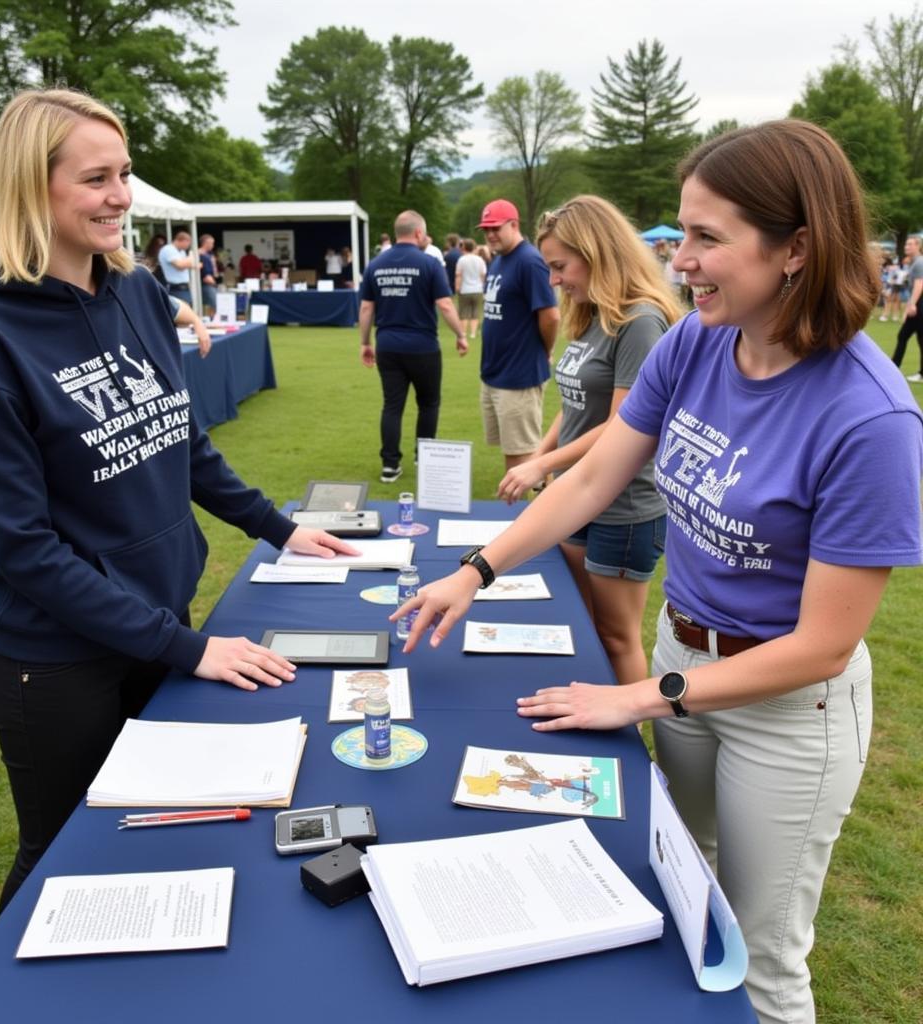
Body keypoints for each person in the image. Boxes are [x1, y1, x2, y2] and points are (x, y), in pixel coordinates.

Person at [394, 120, 922, 1024]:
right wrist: (475, 570)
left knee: (758, 964)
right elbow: (594, 477)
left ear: (797, 247)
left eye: (710, 240)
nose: (683, 264)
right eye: (682, 237)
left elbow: (825, 647)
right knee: (685, 902)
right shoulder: (696, 343)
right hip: (685, 659)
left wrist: (636, 698)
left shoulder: (872, 418)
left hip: (785, 712)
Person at [0, 88, 356, 914]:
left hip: (155, 622)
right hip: (52, 662)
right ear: (30, 187)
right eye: (96, 179)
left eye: (124, 173)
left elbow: (180, 443)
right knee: (60, 856)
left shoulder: (139, 293)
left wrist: (279, 528)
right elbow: (24, 548)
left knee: (156, 829)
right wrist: (185, 648)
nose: (122, 196)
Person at [496, 196, 681, 683]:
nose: (554, 279)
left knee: (616, 636)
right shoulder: (591, 312)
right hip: (576, 494)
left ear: (596, 252)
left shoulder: (640, 322)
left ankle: (628, 732)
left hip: (623, 506)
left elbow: (625, 424)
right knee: (583, 623)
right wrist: (541, 456)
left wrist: (544, 463)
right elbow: (576, 402)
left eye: (560, 266)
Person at [359, 209, 468, 483]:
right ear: (419, 233)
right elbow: (444, 304)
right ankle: (425, 457)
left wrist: (365, 342)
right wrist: (460, 334)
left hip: (388, 344)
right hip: (423, 347)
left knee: (392, 405)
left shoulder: (375, 264)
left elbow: (365, 308)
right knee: (429, 403)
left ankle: (390, 464)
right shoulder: (430, 263)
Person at [477, 198, 560, 470]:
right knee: (513, 452)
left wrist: (545, 350)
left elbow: (550, 315)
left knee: (522, 456)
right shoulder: (500, 260)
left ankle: (535, 509)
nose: (490, 234)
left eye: (495, 228)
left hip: (519, 375)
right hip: (495, 373)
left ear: (514, 225)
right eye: (486, 229)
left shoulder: (529, 261)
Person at [892, 235, 923, 382]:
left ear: (918, 246)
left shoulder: (919, 263)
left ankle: (893, 368)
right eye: (906, 244)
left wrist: (912, 305)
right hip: (918, 305)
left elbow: (919, 284)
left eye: (910, 244)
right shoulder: (914, 262)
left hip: (919, 306)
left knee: (904, 336)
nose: (906, 247)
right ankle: (894, 367)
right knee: (906, 336)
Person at [454, 238, 487, 341]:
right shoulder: (480, 260)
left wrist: (457, 287)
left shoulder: (462, 259)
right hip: (477, 288)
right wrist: (483, 286)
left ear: (464, 247)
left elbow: (459, 275)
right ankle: (472, 333)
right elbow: (483, 275)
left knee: (464, 312)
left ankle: (463, 332)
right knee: (475, 312)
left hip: (465, 288)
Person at [158, 229, 196, 303]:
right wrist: (190, 257)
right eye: (188, 243)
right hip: (176, 288)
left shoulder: (181, 251)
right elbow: (180, 266)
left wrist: (187, 262)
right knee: (182, 311)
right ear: (182, 241)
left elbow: (189, 264)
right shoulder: (168, 250)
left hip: (184, 287)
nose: (188, 246)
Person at [197, 233, 218, 316]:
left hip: (209, 282)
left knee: (213, 305)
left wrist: (214, 263)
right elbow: (206, 275)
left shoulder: (209, 255)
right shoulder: (201, 255)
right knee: (215, 304)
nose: (213, 245)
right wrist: (214, 284)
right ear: (206, 243)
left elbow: (215, 273)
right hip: (206, 284)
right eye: (212, 243)